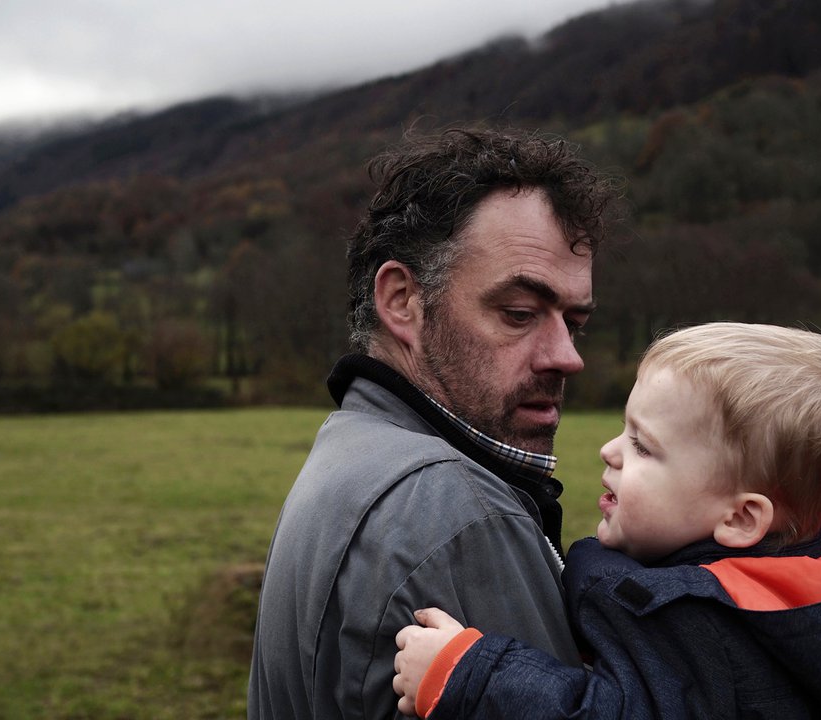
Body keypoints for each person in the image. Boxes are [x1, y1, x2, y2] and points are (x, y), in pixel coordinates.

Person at [392, 322, 821, 719]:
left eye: (643, 446)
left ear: (741, 517)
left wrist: (464, 674)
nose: (610, 451)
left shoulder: (703, 628)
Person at [248, 127, 618, 719]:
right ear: (402, 300)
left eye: (574, 323)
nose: (567, 356)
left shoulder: (352, 450)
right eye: (519, 313)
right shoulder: (454, 510)